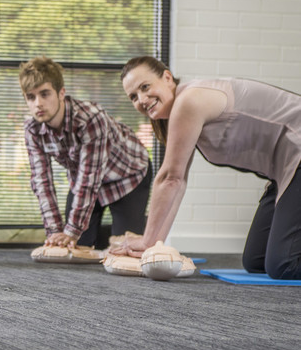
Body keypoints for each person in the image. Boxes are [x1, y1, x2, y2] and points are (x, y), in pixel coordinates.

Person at [118, 56, 301, 279]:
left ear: (167, 77)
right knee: (256, 261)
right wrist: (155, 246)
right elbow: (177, 184)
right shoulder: (182, 111)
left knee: (284, 265)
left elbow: (169, 178)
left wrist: (146, 241)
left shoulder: (190, 100)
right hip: (285, 170)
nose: (142, 99)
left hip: (297, 156)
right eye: (133, 97)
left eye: (145, 87)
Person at [19, 57, 152, 250]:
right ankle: (100, 237)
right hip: (84, 180)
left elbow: (89, 179)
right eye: (31, 97)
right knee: (73, 246)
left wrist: (72, 230)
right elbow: (42, 182)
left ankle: (113, 235)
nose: (38, 103)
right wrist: (55, 231)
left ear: (61, 93)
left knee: (124, 249)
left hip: (128, 176)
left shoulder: (90, 120)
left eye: (45, 94)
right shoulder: (32, 129)